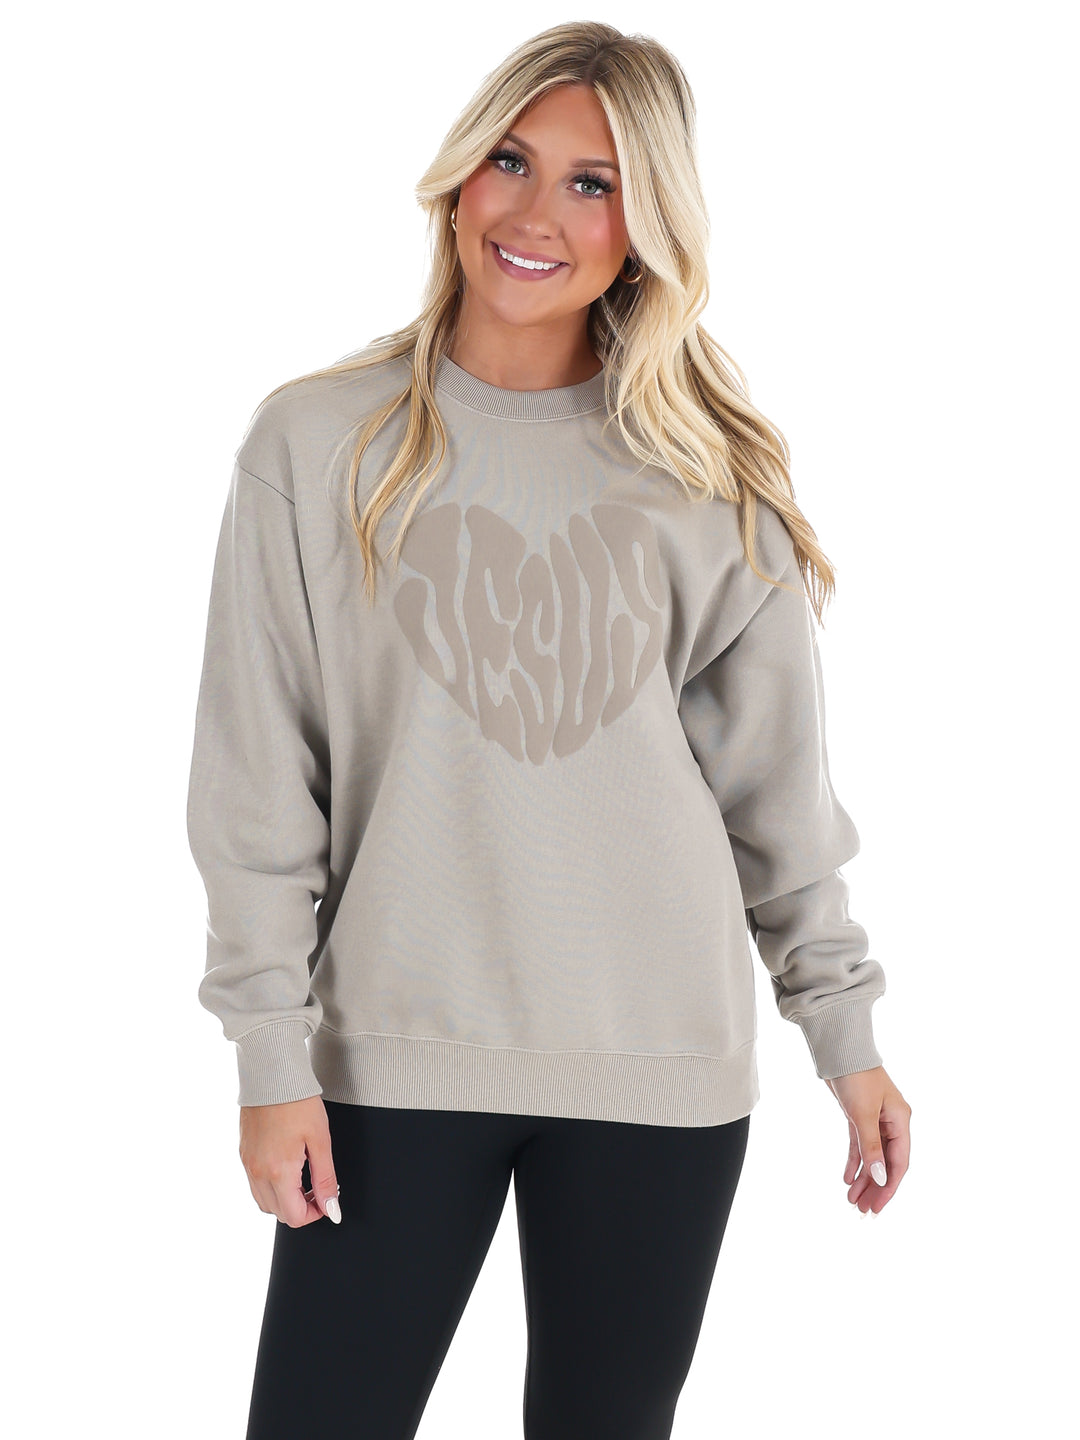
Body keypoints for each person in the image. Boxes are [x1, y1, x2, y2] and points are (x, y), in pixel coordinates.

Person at [186, 21, 912, 1440]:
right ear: (460, 174)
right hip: (388, 1056)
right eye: (512, 162)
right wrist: (270, 1057)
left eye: (596, 183)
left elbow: (773, 790)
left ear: (647, 227)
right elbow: (256, 782)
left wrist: (846, 1031)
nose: (537, 214)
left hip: (658, 1065)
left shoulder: (707, 471)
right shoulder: (314, 444)